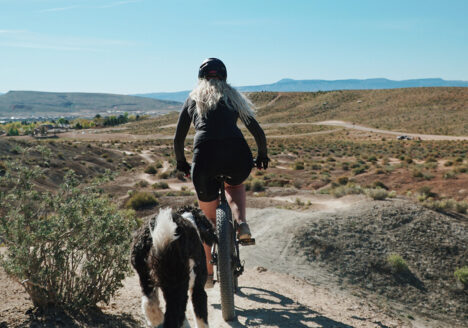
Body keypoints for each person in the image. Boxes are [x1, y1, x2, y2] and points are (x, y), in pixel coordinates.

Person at [174, 58, 268, 286]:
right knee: (234, 185)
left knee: (207, 219)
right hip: (237, 155)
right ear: (224, 76)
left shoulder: (193, 97)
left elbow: (178, 138)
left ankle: (206, 274)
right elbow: (256, 129)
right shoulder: (233, 97)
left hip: (204, 158)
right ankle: (242, 223)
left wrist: (182, 163)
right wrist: (262, 154)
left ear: (201, 77)